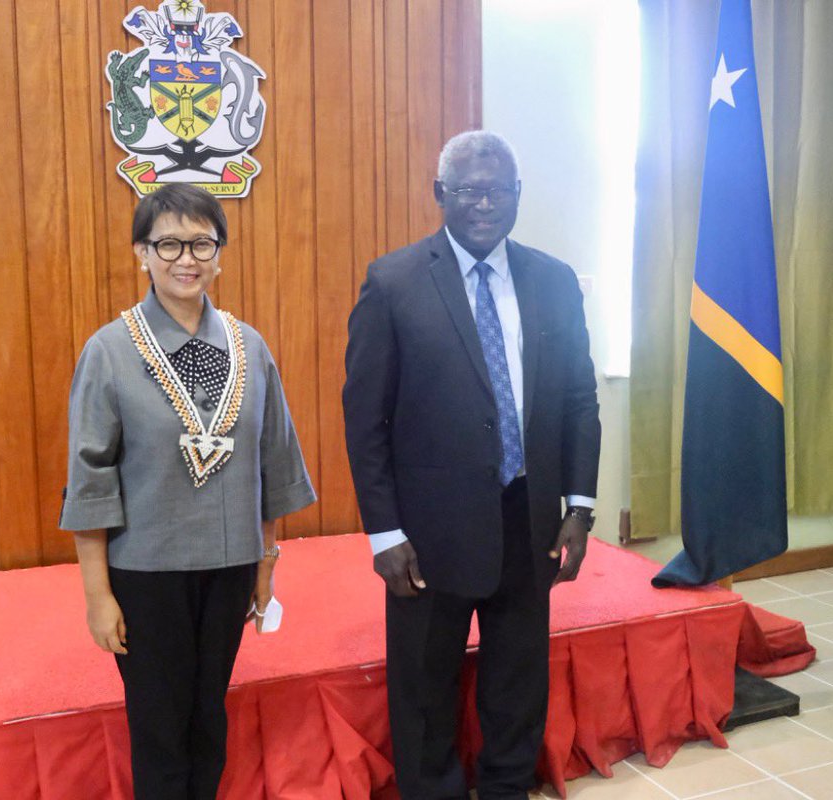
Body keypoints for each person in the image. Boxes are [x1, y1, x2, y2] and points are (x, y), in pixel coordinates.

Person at [342, 130, 601, 800]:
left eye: (498, 190)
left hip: (530, 519)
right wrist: (384, 533)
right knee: (424, 686)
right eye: (468, 190)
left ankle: (508, 786)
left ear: (517, 195)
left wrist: (580, 504)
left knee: (518, 679)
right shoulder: (393, 283)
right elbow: (365, 420)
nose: (484, 203)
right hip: (429, 536)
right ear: (441, 196)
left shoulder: (553, 280)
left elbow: (578, 399)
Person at [60, 183, 316, 800]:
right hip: (146, 574)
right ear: (140, 254)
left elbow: (269, 463)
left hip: (230, 568)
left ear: (220, 253)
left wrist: (266, 563)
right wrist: (98, 595)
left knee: (208, 719)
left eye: (202, 242)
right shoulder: (111, 352)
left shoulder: (249, 347)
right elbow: (90, 481)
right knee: (160, 728)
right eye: (167, 243)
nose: (186, 257)